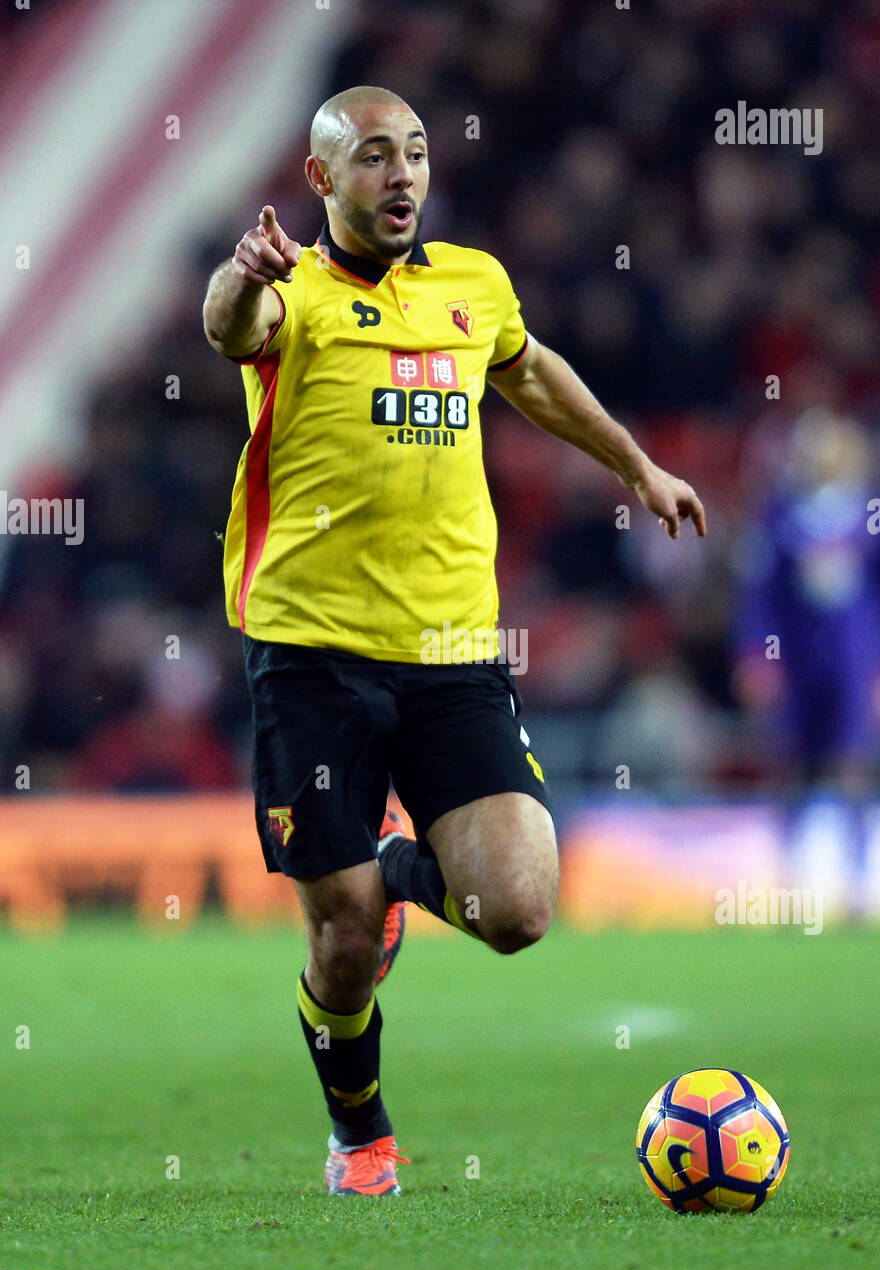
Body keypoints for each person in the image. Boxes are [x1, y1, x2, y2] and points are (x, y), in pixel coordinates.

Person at [203, 86, 705, 1197]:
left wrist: (637, 468)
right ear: (323, 178)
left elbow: (526, 372)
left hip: (452, 653)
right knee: (341, 941)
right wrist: (246, 273)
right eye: (374, 157)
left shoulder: (474, 285)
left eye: (417, 154)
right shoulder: (301, 297)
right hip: (311, 654)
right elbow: (229, 328)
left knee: (518, 910)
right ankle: (360, 1133)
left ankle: (388, 864)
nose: (403, 175)